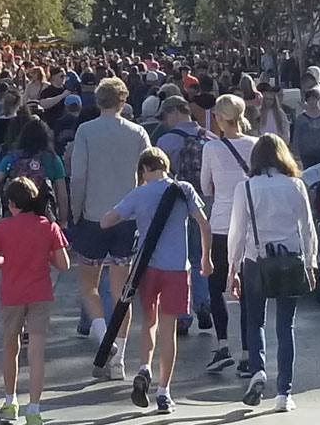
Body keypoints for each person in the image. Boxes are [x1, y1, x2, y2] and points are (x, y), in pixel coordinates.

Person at [102, 148, 212, 415]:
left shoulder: (139, 193)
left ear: (143, 170)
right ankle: (164, 392)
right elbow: (204, 223)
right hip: (176, 268)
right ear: (166, 165)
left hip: (147, 267)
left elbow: (107, 222)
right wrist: (206, 258)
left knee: (148, 322)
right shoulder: (183, 189)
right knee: (169, 329)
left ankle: (144, 367)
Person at [65, 77, 151, 380]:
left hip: (93, 217)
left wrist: (74, 211)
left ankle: (103, 338)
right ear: (123, 101)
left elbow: (78, 176)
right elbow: (148, 175)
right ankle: (120, 359)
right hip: (126, 218)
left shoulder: (86, 131)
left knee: (88, 285)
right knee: (121, 292)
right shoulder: (138, 132)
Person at [228, 134, 318, 412]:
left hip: (256, 260)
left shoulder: (246, 187)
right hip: (290, 260)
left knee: (255, 321)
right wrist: (310, 264)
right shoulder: (296, 185)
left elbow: (237, 232)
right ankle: (284, 394)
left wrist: (232, 269)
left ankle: (258, 371)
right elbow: (308, 228)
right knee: (285, 326)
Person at [0, 177, 70, 425]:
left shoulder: (2, 228)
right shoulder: (49, 226)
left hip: (12, 294)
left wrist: (8, 261)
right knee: (36, 352)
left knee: (10, 346)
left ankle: (10, 400)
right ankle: (33, 409)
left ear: (11, 204)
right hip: (40, 294)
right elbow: (64, 265)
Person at [200, 95, 258, 376]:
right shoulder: (256, 145)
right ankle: (249, 352)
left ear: (221, 119)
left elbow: (205, 188)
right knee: (246, 290)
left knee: (216, 285)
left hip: (222, 222)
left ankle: (223, 344)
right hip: (249, 225)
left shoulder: (211, 147)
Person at [154, 96, 213, 335]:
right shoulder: (210, 137)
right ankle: (204, 300)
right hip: (206, 203)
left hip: (176, 205)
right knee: (201, 255)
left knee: (180, 258)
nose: (166, 121)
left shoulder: (165, 141)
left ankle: (183, 314)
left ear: (176, 112)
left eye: (166, 115)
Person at [292, 89, 320, 168]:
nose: (312, 102)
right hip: (305, 154)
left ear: (318, 99)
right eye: (309, 99)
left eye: (314, 99)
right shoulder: (301, 118)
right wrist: (296, 155)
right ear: (306, 101)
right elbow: (296, 137)